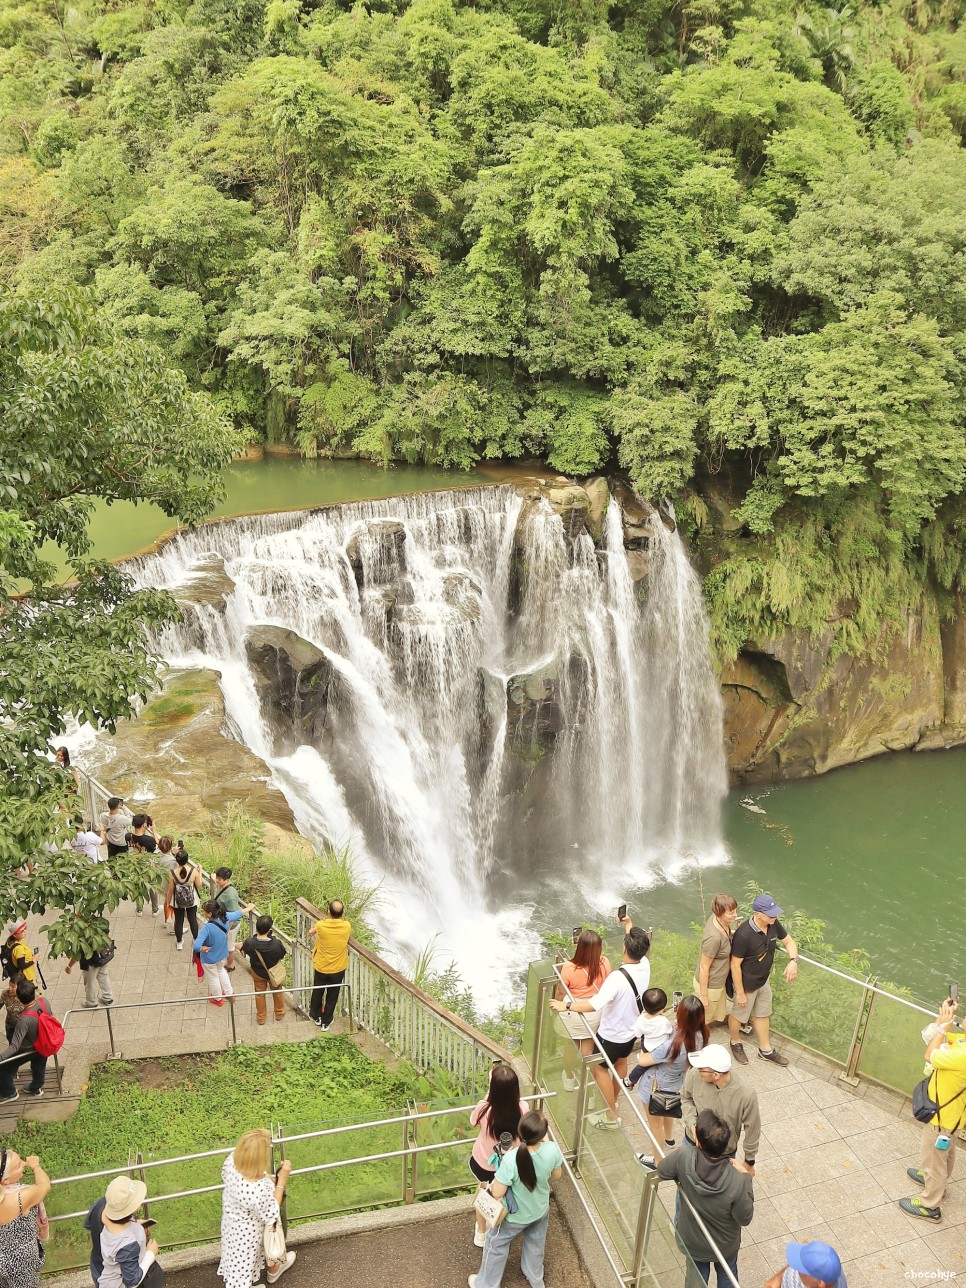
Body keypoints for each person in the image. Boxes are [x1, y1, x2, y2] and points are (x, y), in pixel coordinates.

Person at [549, 915, 650, 1128]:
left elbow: (594, 1004)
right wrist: (628, 925)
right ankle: (612, 1101)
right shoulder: (644, 964)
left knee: (600, 1069)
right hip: (632, 1030)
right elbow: (633, 944)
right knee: (622, 1062)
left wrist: (565, 1005)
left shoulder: (617, 978)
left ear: (625, 949)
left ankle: (611, 1114)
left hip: (612, 1033)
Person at [656, 1109, 754, 1287]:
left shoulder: (684, 1157)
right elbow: (744, 1218)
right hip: (724, 1245)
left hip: (693, 1241)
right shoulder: (737, 1180)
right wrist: (747, 1177)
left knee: (695, 1279)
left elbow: (662, 1170)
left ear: (699, 1141)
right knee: (727, 1274)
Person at [468, 1110, 563, 1288]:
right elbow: (557, 1175)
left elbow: (497, 1193)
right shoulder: (552, 1150)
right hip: (540, 1209)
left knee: (495, 1245)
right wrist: (547, 1142)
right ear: (543, 1134)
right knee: (536, 1244)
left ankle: (485, 1284)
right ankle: (535, 1277)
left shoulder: (511, 1158)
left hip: (514, 1217)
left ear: (520, 1132)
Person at [899, 996, 966, 1221]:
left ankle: (930, 1204)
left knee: (934, 1157)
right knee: (945, 1153)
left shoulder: (963, 1055)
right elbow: (932, 1037)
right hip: (954, 1117)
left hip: (942, 1119)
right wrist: (942, 1021)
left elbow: (930, 1054)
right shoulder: (962, 1043)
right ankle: (937, 1183)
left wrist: (945, 1026)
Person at [634, 995, 709, 1169]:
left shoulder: (673, 1045)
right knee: (667, 1111)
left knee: (655, 1126)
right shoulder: (701, 1036)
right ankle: (669, 1138)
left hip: (655, 1086)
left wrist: (641, 1054)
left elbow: (644, 1061)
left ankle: (657, 1161)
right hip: (676, 1083)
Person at [727, 893, 798, 1066]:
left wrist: (793, 961)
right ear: (757, 913)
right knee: (739, 1015)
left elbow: (789, 942)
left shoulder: (773, 924)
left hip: (763, 980)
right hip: (746, 984)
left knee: (763, 1013)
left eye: (775, 913)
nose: (775, 916)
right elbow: (735, 965)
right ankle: (735, 1041)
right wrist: (741, 993)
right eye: (770, 913)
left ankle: (765, 1050)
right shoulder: (743, 934)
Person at [218, 1128, 295, 1288]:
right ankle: (273, 1270)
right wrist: (282, 1180)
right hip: (250, 1234)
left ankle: (273, 1269)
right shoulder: (257, 1189)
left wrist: (267, 1178)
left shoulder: (232, 1162)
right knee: (243, 1267)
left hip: (232, 1223)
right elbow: (271, 1212)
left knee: (235, 1261)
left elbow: (245, 1173)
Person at [468, 1063, 527, 1247]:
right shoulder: (522, 1108)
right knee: (506, 1192)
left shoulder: (484, 1109)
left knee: (484, 1193)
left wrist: (488, 1094)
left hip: (485, 1163)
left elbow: (472, 1121)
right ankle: (503, 1225)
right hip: (511, 1164)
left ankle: (481, 1232)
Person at [681, 1045, 761, 1173]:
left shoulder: (746, 1095)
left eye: (702, 1068)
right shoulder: (694, 1074)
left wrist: (749, 1161)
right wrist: (692, 1124)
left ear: (716, 1075)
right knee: (684, 1186)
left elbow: (753, 1128)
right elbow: (686, 1098)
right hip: (692, 1144)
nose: (697, 1069)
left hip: (723, 1154)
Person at [555, 930, 611, 1091]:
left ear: (579, 947)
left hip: (572, 1010)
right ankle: (589, 1087)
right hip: (593, 1010)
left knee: (570, 1048)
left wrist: (556, 1004)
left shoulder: (569, 967)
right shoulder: (604, 963)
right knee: (588, 1050)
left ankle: (569, 1080)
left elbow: (561, 991)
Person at [0, 1149, 52, 1288]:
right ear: (5, 1180)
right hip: (22, 1261)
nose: (23, 1163)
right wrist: (35, 1165)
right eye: (18, 1166)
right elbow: (44, 1186)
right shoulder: (21, 1197)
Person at [98, 1175, 159, 1288]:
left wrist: (136, 1226)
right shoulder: (127, 1245)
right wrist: (151, 1253)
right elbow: (132, 1281)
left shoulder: (106, 1216)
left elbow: (120, 1226)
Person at [0, 980, 54, 1103]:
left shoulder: (24, 1019)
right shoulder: (44, 1001)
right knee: (39, 1065)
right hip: (45, 1042)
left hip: (29, 1047)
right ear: (34, 993)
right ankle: (36, 1088)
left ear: (18, 998)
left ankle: (9, 1093)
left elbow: (14, 1046)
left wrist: (1, 1057)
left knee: (3, 1067)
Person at [194, 900, 249, 1007]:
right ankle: (229, 993)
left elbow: (196, 946)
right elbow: (238, 913)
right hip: (222, 954)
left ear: (210, 914)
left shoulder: (207, 928)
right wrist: (249, 908)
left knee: (213, 977)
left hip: (209, 958)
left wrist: (203, 948)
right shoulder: (225, 916)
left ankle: (217, 998)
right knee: (221, 971)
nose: (204, 913)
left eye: (204, 911)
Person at [693, 894, 738, 1025]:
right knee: (702, 1020)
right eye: (731, 913)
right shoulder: (713, 938)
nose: (735, 915)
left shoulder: (717, 919)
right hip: (710, 985)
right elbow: (704, 967)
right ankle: (695, 1041)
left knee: (713, 1015)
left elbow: (725, 934)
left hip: (719, 982)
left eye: (735, 911)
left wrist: (735, 932)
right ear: (719, 913)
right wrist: (704, 996)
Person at [307, 900, 351, 1032]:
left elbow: (322, 925)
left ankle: (315, 1016)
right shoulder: (347, 926)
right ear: (342, 913)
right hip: (338, 968)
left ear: (328, 912)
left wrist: (314, 929)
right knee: (333, 995)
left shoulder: (320, 925)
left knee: (318, 991)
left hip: (321, 966)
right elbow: (340, 924)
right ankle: (326, 1021)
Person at [240, 916, 287, 1024]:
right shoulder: (276, 944)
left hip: (257, 972)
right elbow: (282, 954)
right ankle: (279, 1013)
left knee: (259, 994)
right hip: (274, 973)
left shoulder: (250, 942)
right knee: (277, 992)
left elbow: (245, 951)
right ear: (270, 929)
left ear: (257, 928)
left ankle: (261, 1018)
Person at [623, 987, 674, 1086]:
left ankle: (629, 1081)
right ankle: (632, 1078)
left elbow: (637, 1034)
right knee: (646, 1065)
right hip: (659, 1047)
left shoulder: (640, 1019)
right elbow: (670, 1030)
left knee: (642, 1066)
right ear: (662, 1009)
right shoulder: (663, 1021)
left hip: (646, 1046)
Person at [65, 928, 115, 1009]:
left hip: (90, 961)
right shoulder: (100, 924)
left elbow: (77, 954)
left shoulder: (82, 934)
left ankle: (91, 1002)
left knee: (90, 982)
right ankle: (108, 998)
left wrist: (69, 966)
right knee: (103, 976)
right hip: (103, 956)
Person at [764, 1240, 848, 1288]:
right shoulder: (831, 1269)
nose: (798, 1271)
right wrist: (779, 1277)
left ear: (820, 1283)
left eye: (803, 1273)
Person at [165, 849, 202, 952]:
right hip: (191, 900)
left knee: (179, 921)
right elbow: (199, 886)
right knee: (192, 920)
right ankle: (196, 940)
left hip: (178, 901)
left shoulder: (172, 873)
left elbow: (170, 890)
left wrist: (168, 902)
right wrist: (200, 871)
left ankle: (179, 942)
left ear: (176, 860)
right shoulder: (193, 871)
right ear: (187, 859)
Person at [129, 817, 161, 918]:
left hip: (134, 866)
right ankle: (155, 909)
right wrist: (154, 831)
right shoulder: (149, 840)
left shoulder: (128, 836)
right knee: (152, 885)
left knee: (138, 886)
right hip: (148, 866)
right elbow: (159, 846)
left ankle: (139, 909)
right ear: (144, 825)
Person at [212, 869, 243, 971]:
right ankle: (239, 945)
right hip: (223, 921)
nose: (217, 880)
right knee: (227, 942)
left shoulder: (230, 896)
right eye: (216, 878)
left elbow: (234, 915)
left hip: (230, 925)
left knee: (229, 946)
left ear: (227, 880)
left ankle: (230, 965)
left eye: (219, 879)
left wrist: (226, 930)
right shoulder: (223, 886)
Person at [3, 976, 24, 1044]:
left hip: (22, 1027)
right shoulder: (5, 993)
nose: (10, 988)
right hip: (10, 1025)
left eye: (13, 986)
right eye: (9, 985)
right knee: (11, 1043)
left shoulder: (25, 996)